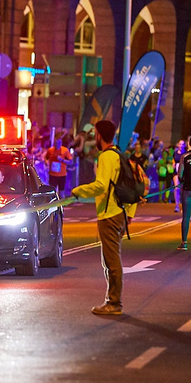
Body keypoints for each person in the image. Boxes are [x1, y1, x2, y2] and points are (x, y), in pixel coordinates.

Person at [70, 120, 126, 316]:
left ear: (100, 135)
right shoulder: (119, 154)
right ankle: (112, 300)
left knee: (111, 261)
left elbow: (101, 185)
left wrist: (79, 190)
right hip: (119, 212)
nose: (94, 138)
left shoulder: (106, 157)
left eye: (94, 134)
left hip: (109, 214)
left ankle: (114, 302)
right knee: (111, 259)